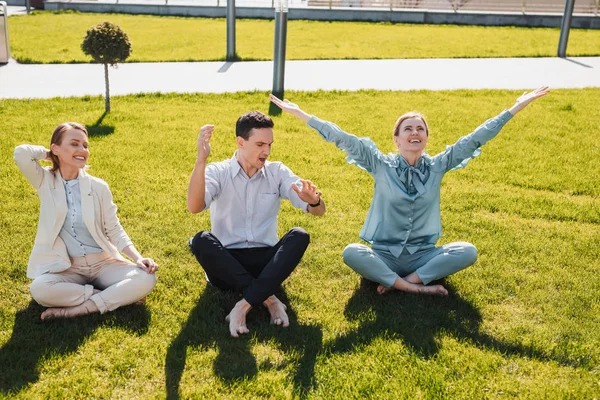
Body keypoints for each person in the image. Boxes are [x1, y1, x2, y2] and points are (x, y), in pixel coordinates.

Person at [270, 87, 549, 296]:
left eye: (420, 129)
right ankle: (417, 288)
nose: (415, 132)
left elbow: (475, 138)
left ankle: (403, 282)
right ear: (397, 139)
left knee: (468, 251)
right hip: (384, 254)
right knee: (351, 253)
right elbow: (343, 138)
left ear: (426, 138)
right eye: (408, 129)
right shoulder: (379, 165)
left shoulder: (439, 166)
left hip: (423, 254)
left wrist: (514, 108)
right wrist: (302, 114)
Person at [187, 111, 326, 338]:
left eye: (270, 144)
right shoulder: (218, 172)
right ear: (240, 142)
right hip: (226, 263)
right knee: (201, 240)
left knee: (299, 235)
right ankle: (270, 299)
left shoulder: (277, 171)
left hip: (265, 261)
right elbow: (194, 207)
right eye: (260, 144)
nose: (267, 151)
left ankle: (242, 306)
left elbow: (318, 212)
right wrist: (201, 161)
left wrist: (315, 201)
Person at [14, 122, 158, 320]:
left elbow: (114, 229)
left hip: (103, 264)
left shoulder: (98, 187)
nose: (82, 150)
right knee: (39, 289)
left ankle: (78, 309)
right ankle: (107, 296)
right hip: (68, 267)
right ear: (56, 148)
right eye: (74, 144)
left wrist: (138, 258)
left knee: (146, 278)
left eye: (85, 145)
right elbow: (21, 153)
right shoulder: (44, 180)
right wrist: (52, 155)